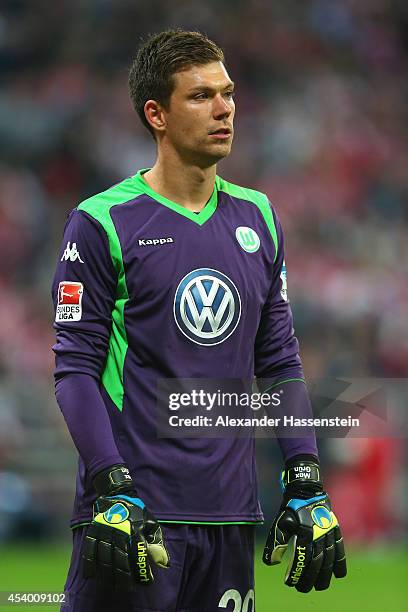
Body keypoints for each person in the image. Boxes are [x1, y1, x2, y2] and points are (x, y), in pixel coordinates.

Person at [52, 29, 346, 612]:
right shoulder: (101, 222)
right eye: (201, 96)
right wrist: (112, 485)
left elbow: (279, 361)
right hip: (133, 518)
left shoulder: (258, 216)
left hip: (230, 518)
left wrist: (305, 477)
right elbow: (75, 371)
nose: (225, 108)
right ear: (155, 114)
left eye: (228, 93)